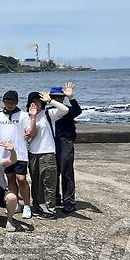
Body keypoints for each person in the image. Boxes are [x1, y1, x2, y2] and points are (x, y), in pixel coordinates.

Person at [0, 90, 35, 219]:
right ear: (3, 102)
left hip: (20, 153)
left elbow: (29, 132)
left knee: (21, 179)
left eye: (12, 102)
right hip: (5, 155)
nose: (10, 104)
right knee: (10, 179)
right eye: (7, 101)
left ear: (17, 102)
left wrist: (32, 120)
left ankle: (27, 205)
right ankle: (16, 204)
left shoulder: (23, 115)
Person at [26, 91, 69, 219]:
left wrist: (50, 100)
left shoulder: (48, 114)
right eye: (33, 102)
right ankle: (38, 206)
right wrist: (32, 117)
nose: (35, 105)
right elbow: (28, 136)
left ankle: (50, 210)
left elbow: (65, 109)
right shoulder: (27, 117)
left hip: (48, 153)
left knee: (48, 182)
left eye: (38, 102)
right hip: (33, 153)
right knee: (36, 183)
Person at [51, 83, 82, 213]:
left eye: (59, 97)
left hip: (65, 141)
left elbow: (78, 111)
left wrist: (71, 97)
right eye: (54, 97)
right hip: (51, 142)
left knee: (66, 172)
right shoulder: (49, 111)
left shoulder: (67, 110)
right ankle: (56, 197)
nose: (57, 99)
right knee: (53, 172)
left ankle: (69, 201)